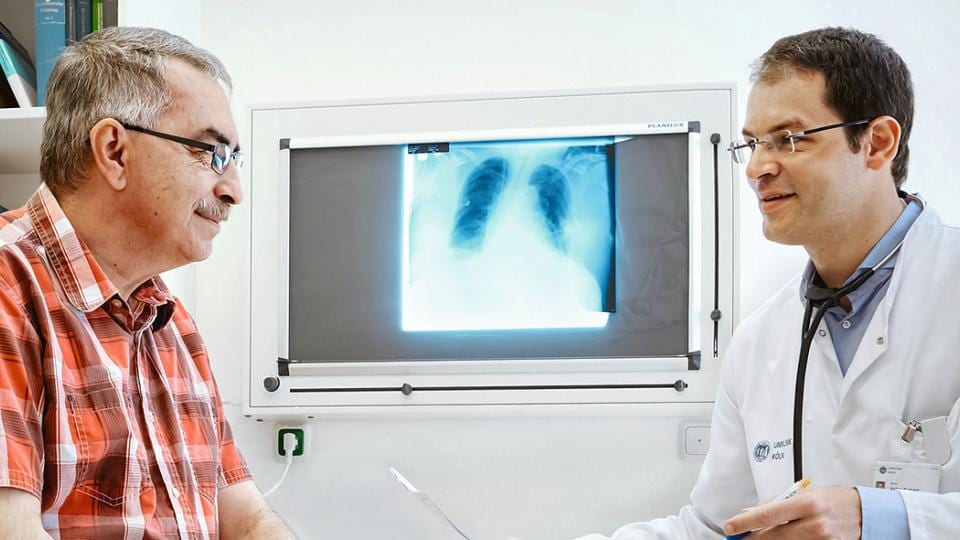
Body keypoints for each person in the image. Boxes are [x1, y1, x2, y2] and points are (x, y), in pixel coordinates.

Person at [577, 27, 960, 539]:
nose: (757, 167)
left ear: (877, 143)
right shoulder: (759, 343)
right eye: (753, 143)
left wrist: (878, 519)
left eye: (790, 138)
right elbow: (715, 528)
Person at [0, 27, 295, 539]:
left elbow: (245, 519)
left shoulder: (170, 321)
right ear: (114, 151)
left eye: (234, 160)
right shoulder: (9, 289)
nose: (233, 191)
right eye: (212, 154)